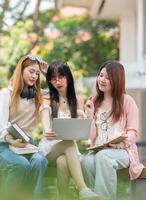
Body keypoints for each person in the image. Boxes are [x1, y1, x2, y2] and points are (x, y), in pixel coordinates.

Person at [81, 60, 144, 200]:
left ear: (117, 80)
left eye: (108, 77)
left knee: (103, 157)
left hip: (123, 151)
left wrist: (120, 141)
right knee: (86, 161)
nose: (102, 80)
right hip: (100, 150)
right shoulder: (95, 102)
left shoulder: (127, 101)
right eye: (101, 75)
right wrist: (90, 116)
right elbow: (91, 137)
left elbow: (133, 133)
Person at [39, 60, 100, 200]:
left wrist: (87, 115)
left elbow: (82, 130)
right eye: (53, 79)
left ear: (68, 77)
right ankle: (84, 190)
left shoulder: (77, 100)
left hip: (67, 152)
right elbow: (45, 119)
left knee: (62, 161)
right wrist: (47, 129)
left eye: (61, 77)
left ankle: (63, 196)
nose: (57, 81)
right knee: (69, 143)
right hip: (49, 149)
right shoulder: (47, 98)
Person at [0, 55, 48, 198]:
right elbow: (1, 127)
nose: (34, 76)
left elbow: (60, 91)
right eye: (31, 71)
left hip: (27, 145)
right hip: (4, 145)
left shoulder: (37, 95)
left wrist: (46, 74)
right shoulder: (6, 94)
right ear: (21, 71)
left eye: (37, 73)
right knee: (21, 165)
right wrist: (11, 140)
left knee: (40, 160)